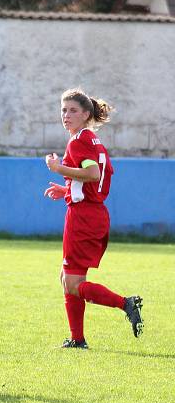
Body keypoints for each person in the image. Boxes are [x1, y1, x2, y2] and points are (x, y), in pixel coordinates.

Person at [44, 88, 143, 349]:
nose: (66, 115)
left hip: (83, 219)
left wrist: (58, 168)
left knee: (74, 284)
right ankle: (77, 339)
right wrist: (65, 189)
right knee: (67, 279)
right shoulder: (90, 139)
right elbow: (93, 185)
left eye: (73, 110)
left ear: (86, 114)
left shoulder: (78, 141)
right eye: (63, 110)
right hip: (90, 212)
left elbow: (91, 174)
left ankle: (125, 303)